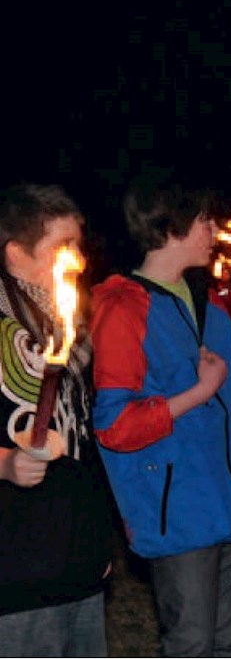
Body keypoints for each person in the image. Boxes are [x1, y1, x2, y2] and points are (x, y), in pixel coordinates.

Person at [92, 183, 231, 657]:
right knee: (191, 645)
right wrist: (197, 394)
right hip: (183, 516)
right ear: (170, 227)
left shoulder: (212, 309)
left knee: (226, 644)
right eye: (205, 221)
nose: (216, 230)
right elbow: (114, 426)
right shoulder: (124, 311)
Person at [0, 184, 113, 657]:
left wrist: (97, 539)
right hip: (18, 569)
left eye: (78, 246)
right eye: (62, 248)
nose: (79, 262)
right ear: (16, 253)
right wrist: (4, 463)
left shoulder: (67, 328)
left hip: (78, 562)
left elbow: (83, 440)